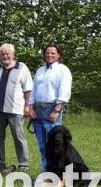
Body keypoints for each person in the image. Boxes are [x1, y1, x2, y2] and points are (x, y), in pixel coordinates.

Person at [0, 44, 33, 173]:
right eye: (2, 54)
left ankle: (23, 165)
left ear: (13, 54)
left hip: (15, 110)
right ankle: (0, 163)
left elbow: (28, 90)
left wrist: (28, 106)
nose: (5, 56)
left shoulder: (22, 68)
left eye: (8, 53)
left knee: (18, 137)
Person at [27, 44, 72, 173]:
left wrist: (57, 110)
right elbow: (33, 90)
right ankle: (45, 174)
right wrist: (31, 108)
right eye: (47, 53)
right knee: (42, 146)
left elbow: (64, 92)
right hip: (38, 111)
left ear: (59, 55)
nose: (49, 55)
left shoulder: (63, 70)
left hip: (52, 110)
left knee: (55, 146)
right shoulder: (40, 70)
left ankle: (56, 175)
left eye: (53, 53)